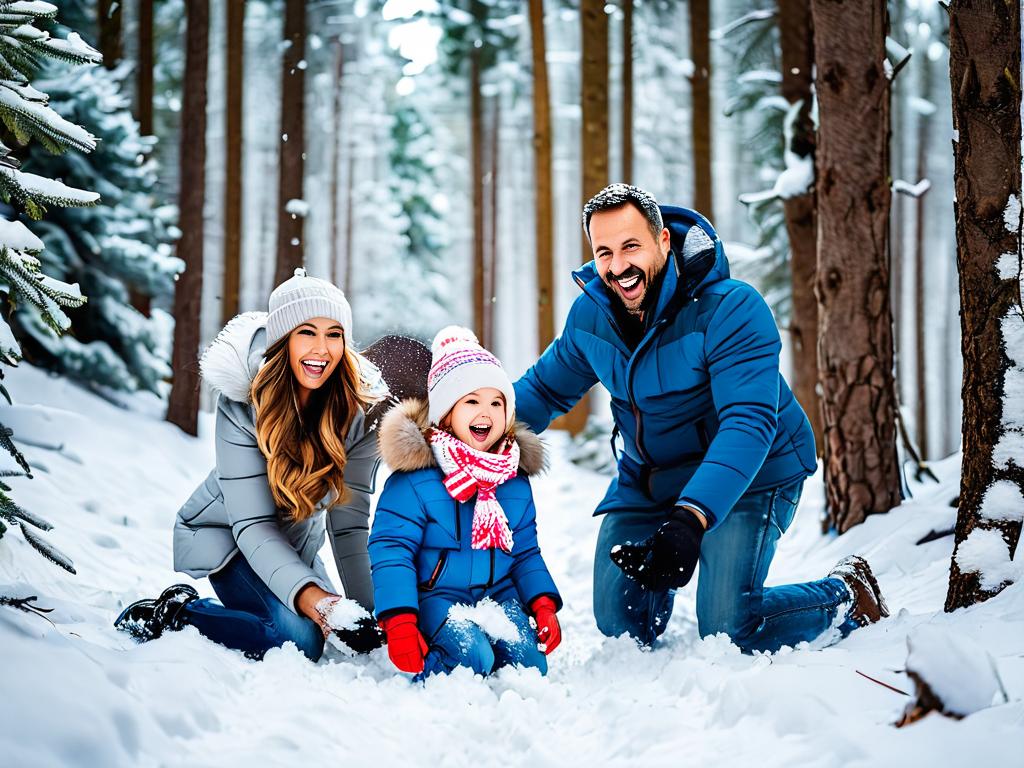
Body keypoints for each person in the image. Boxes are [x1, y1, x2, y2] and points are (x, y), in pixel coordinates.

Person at [513, 183, 889, 653]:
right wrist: (462, 426)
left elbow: (748, 422)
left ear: (663, 241)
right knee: (620, 626)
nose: (618, 266)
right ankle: (660, 584)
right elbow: (543, 390)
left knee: (731, 627)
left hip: (755, 472)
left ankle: (848, 596)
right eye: (604, 251)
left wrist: (690, 519)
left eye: (632, 246)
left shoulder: (731, 308)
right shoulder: (593, 315)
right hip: (652, 479)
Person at [115, 269, 388, 661]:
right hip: (227, 536)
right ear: (283, 341)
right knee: (298, 639)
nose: (321, 348)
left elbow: (349, 525)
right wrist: (318, 601)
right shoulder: (242, 405)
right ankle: (176, 614)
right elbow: (253, 526)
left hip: (292, 545)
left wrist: (374, 614)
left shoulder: (357, 415)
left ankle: (256, 615)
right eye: (306, 332)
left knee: (330, 634)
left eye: (334, 334)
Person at [369, 326, 562, 678]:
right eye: (471, 401)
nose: (485, 412)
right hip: (437, 598)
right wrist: (399, 621)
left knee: (530, 665)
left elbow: (525, 553)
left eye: (496, 402)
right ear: (445, 414)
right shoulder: (415, 479)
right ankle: (439, 674)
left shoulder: (513, 479)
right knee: (475, 658)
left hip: (498, 596)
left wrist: (542, 602)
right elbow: (391, 550)